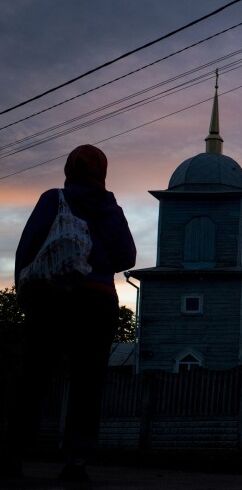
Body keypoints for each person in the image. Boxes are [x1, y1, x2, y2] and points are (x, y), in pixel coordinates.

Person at [1, 144, 137, 483]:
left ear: (69, 169)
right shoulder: (111, 209)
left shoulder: (54, 199)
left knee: (33, 378)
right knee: (88, 383)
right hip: (98, 303)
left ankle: (12, 456)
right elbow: (127, 257)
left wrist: (24, 292)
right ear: (101, 172)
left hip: (52, 301)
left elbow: (28, 246)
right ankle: (77, 462)